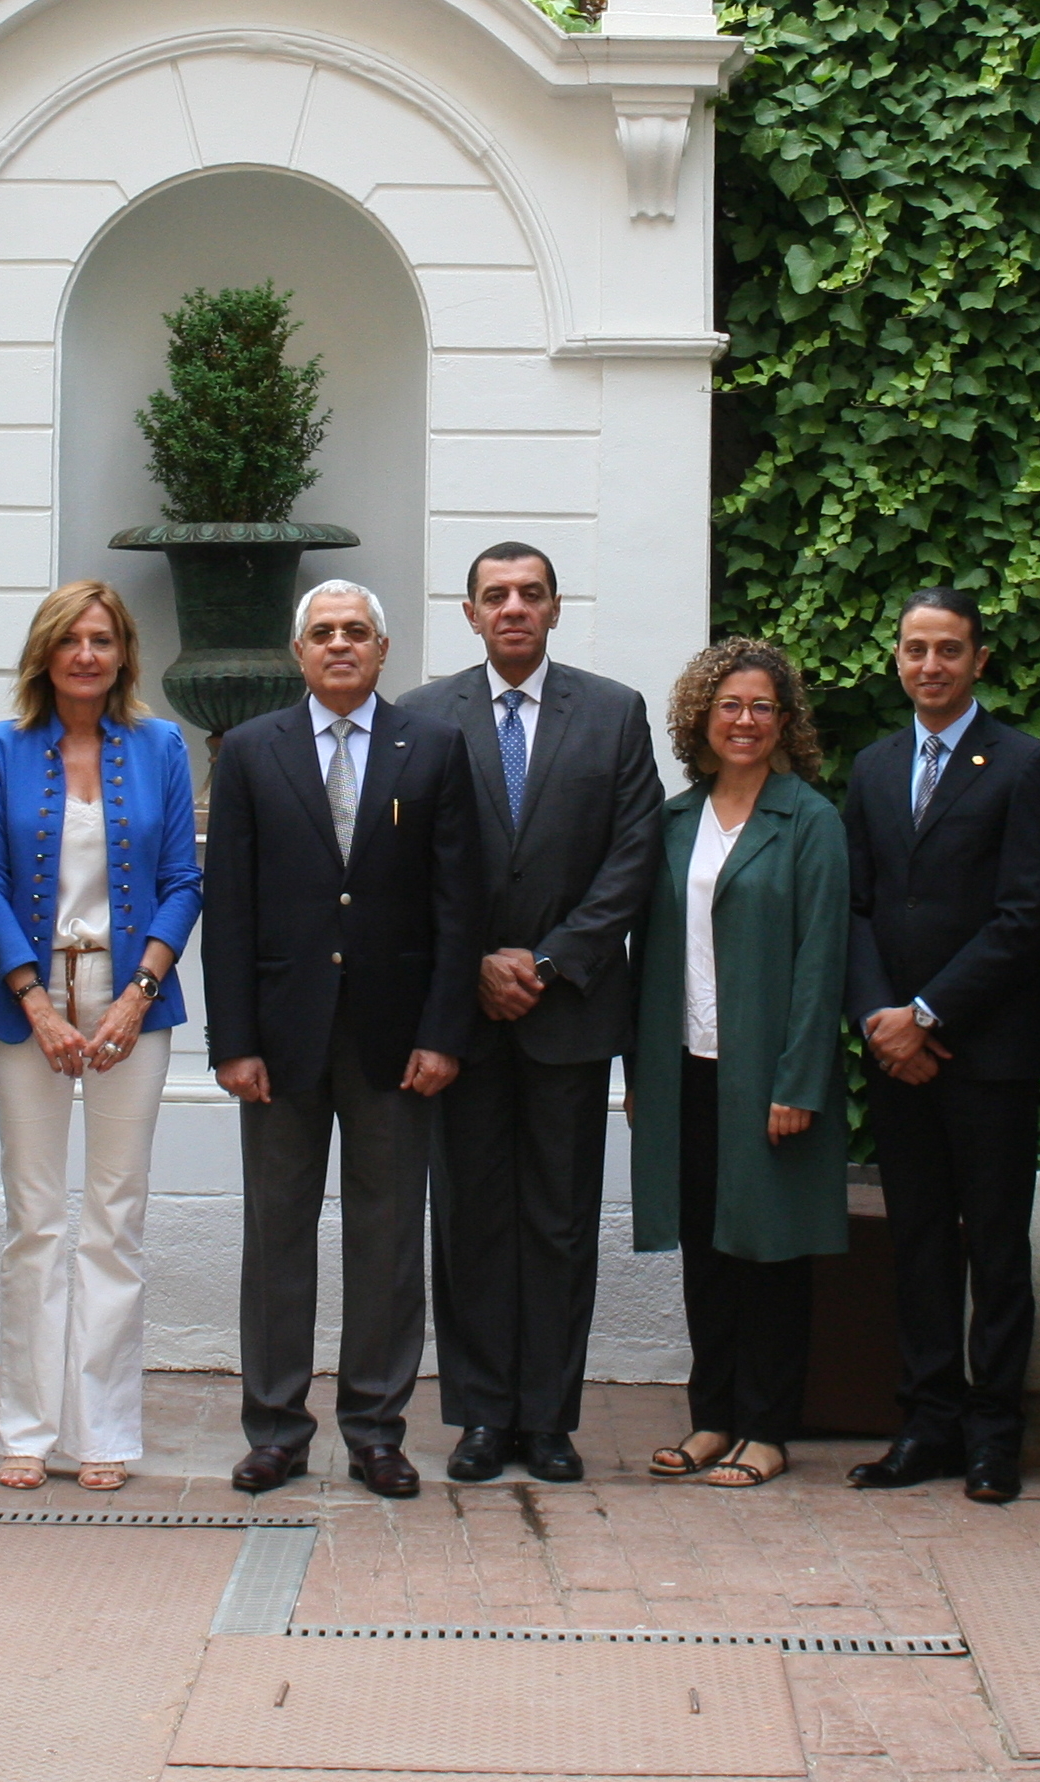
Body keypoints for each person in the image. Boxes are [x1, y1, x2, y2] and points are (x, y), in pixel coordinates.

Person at [204, 581, 479, 1499]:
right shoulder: (248, 751)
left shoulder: (434, 748)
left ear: (382, 647)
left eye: (354, 632)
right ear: (298, 652)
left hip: (394, 1042)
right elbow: (229, 907)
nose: (338, 645)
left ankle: (374, 1428)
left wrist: (444, 1032)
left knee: (389, 1238)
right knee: (276, 1237)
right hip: (278, 1044)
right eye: (321, 633)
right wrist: (232, 1040)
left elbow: (457, 906)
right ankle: (275, 1426)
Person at [398, 543, 661, 1486]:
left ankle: (548, 1418)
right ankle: (478, 1415)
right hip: (458, 1013)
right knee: (467, 1216)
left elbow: (632, 858)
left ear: (554, 608)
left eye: (530, 594)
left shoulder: (614, 711)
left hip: (570, 1012)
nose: (513, 608)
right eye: (495, 595)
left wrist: (546, 961)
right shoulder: (423, 715)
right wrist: (470, 962)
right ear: (468, 613)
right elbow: (408, 868)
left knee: (557, 1219)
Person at [0, 581, 202, 1492]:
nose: (87, 655)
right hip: (30, 993)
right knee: (34, 1220)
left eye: (102, 639)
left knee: (114, 1219)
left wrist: (138, 993)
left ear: (123, 652)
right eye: (70, 640)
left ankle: (103, 1429)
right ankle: (25, 1427)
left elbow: (183, 878)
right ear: (45, 652)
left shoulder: (160, 748)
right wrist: (34, 1000)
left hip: (128, 996)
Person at [840, 589, 1040, 1505]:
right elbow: (856, 907)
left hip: (987, 1050)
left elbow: (1023, 917)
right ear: (895, 659)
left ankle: (992, 1432)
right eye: (914, 649)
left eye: (947, 649)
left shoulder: (1025, 764)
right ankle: (925, 1423)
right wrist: (878, 1018)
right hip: (894, 1053)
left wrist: (926, 1015)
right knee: (920, 1244)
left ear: (977, 658)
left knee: (996, 1248)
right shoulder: (873, 765)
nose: (928, 664)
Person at [629, 639, 848, 1490]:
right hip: (684, 1068)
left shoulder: (810, 821)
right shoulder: (674, 821)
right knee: (706, 1253)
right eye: (729, 706)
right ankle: (711, 1418)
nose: (745, 720)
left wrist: (798, 1083)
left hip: (768, 1078)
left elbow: (821, 962)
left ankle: (766, 1426)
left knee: (770, 1256)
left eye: (761, 706)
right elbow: (647, 952)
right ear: (701, 719)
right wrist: (641, 1075)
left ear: (784, 721)